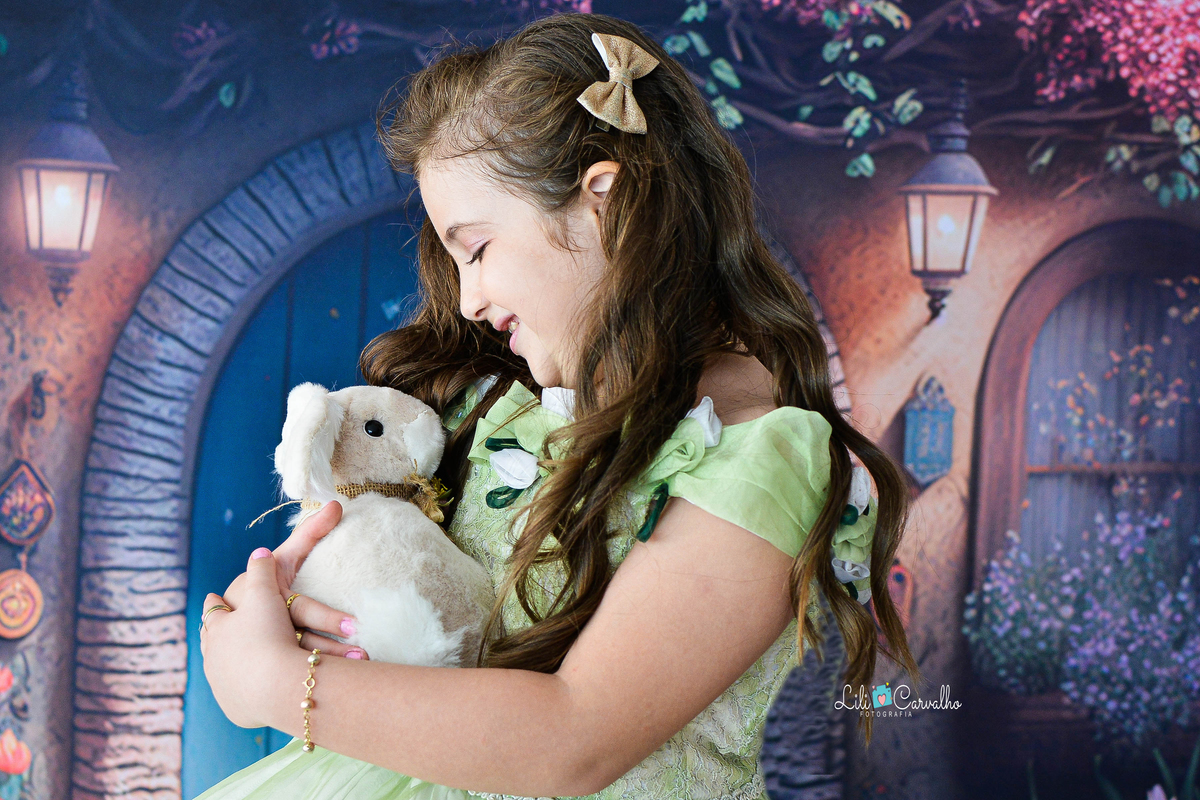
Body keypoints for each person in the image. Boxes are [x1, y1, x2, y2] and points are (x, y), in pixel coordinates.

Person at [195, 11, 920, 800]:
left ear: (602, 202)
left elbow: (573, 739)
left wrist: (276, 684)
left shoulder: (758, 455)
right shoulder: (497, 404)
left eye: (475, 248)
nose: (467, 300)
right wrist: (309, 604)